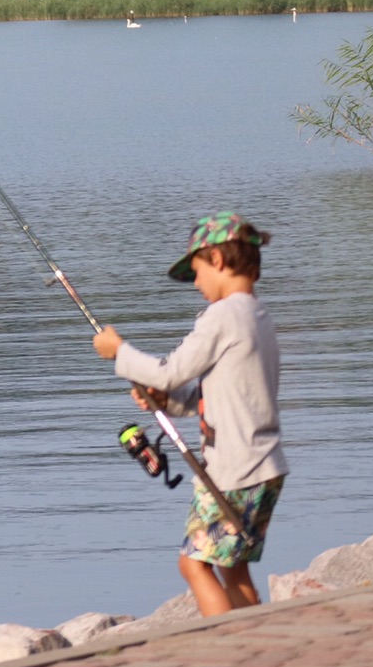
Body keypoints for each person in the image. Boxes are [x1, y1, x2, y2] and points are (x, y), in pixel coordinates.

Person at [93, 212, 286, 617]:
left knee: (192, 563)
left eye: (196, 272)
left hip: (234, 470)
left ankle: (226, 643)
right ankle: (257, 638)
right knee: (233, 570)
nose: (196, 284)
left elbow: (170, 370)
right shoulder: (258, 316)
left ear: (216, 259)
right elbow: (211, 392)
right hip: (265, 465)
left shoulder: (222, 316)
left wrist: (119, 352)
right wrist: (167, 402)